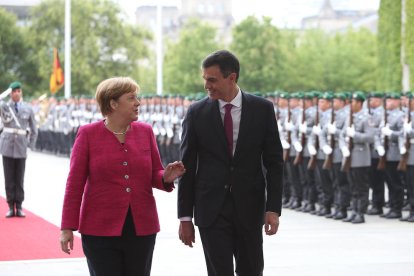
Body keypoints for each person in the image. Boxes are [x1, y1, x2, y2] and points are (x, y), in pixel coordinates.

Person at [60, 77, 185, 276]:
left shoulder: (146, 131)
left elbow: (154, 174)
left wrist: (166, 177)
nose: (138, 103)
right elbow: (74, 184)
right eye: (131, 98)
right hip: (99, 229)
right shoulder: (87, 134)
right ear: (113, 103)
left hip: (141, 228)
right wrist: (67, 227)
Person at [178, 50, 284, 276]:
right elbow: (186, 167)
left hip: (249, 207)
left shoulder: (262, 109)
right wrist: (185, 217)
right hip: (211, 210)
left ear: (232, 78)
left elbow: (274, 162)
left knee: (251, 270)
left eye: (212, 80)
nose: (207, 85)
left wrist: (273, 208)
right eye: (205, 79)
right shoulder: (196, 113)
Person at [0, 81, 37, 218]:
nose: (16, 93)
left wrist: (30, 145)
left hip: (21, 146)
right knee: (9, 178)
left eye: (18, 91)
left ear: (21, 93)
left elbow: (34, 128)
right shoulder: (4, 106)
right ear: (10, 93)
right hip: (7, 146)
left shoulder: (28, 108)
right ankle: (10, 206)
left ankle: (19, 206)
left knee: (19, 178)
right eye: (14, 91)